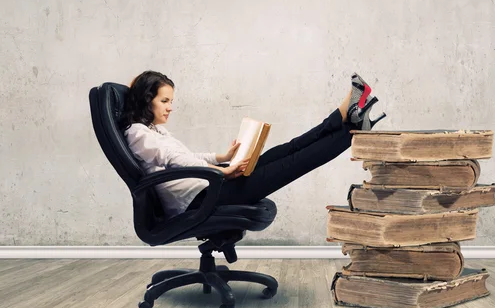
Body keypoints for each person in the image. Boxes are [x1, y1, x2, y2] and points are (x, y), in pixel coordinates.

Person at [119, 70, 386, 219]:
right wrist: (221, 171)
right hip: (201, 199)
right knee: (291, 164)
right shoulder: (138, 134)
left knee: (284, 151)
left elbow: (184, 156)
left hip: (208, 185)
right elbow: (174, 161)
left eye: (170, 101)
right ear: (146, 99)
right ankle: (352, 129)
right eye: (165, 101)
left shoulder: (153, 131)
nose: (170, 108)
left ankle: (342, 115)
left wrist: (221, 157)